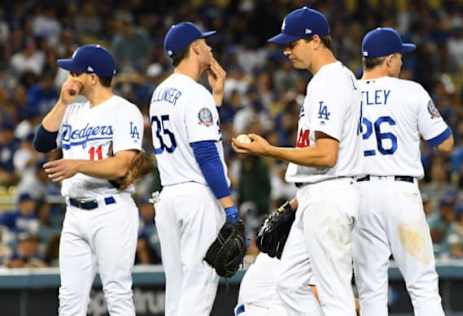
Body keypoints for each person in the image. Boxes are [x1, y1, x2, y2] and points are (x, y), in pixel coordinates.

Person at [233, 7, 362, 316]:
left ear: (316, 40)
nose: (286, 51)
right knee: (290, 285)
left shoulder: (329, 81)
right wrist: (296, 202)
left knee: (334, 294)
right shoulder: (328, 80)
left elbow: (326, 155)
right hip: (315, 194)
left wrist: (270, 151)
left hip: (329, 194)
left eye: (292, 44)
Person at [32, 44, 144, 316]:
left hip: (111, 210)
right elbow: (41, 142)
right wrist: (62, 102)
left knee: (117, 293)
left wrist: (77, 165)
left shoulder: (124, 110)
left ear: (92, 77)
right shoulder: (72, 110)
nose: (70, 77)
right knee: (69, 299)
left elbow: (121, 166)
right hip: (74, 213)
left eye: (75, 72)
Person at [353, 27, 454, 316]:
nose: (402, 63)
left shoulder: (347, 93)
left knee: (371, 290)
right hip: (400, 193)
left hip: (359, 194)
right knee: (422, 284)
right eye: (399, 57)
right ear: (388, 60)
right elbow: (445, 143)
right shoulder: (411, 91)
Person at [149, 22, 240, 316]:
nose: (211, 48)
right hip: (196, 198)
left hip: (168, 198)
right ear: (196, 48)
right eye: (206, 43)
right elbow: (206, 154)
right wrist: (228, 206)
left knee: (177, 289)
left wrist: (217, 96)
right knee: (199, 287)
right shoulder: (194, 93)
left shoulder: (160, 93)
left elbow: (191, 130)